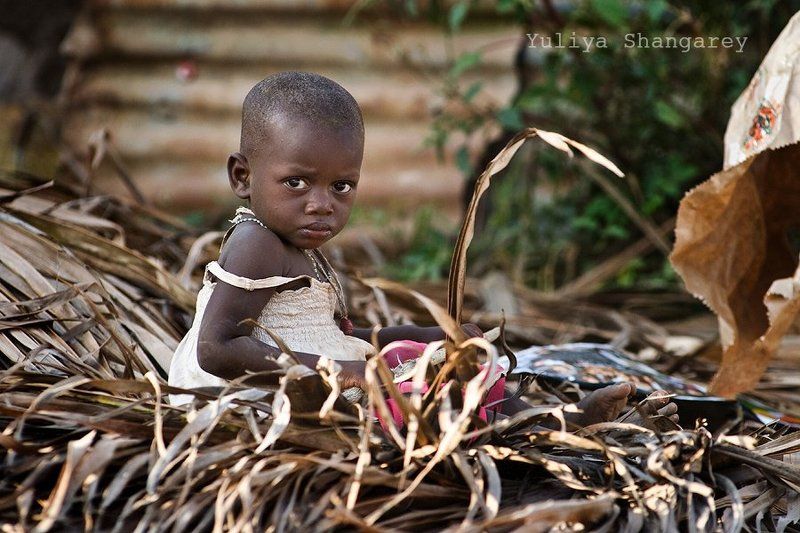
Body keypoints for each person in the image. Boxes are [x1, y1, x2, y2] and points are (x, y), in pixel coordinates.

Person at [168, 71, 678, 428]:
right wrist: (336, 372)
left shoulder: (296, 245)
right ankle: (554, 423)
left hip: (310, 374)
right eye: (297, 182)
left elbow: (337, 334)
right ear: (242, 177)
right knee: (427, 394)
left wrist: (428, 333)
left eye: (341, 187)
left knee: (444, 364)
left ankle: (558, 419)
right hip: (248, 400)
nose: (321, 205)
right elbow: (217, 350)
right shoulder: (257, 244)